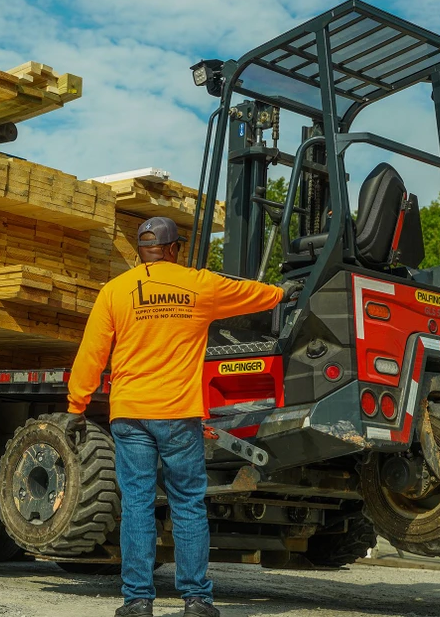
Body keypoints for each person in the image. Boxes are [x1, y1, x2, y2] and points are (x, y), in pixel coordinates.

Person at [65, 216, 298, 617]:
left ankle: (138, 600)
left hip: (130, 414)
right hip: (178, 413)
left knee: (137, 504)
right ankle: (197, 600)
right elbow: (250, 294)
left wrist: (76, 406)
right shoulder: (199, 284)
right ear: (174, 249)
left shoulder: (115, 291)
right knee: (187, 503)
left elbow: (92, 353)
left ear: (142, 250)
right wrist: (281, 292)